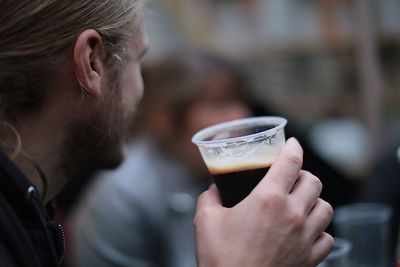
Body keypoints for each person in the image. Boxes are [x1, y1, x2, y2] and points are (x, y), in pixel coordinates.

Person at [0, 1, 334, 267]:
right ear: (92, 63)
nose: (238, 115)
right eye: (139, 62)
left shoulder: (26, 218)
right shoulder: (120, 200)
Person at [69, 52, 252, 267]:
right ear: (165, 118)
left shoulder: (207, 171)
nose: (242, 117)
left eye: (240, 101)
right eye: (219, 104)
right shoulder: (123, 198)